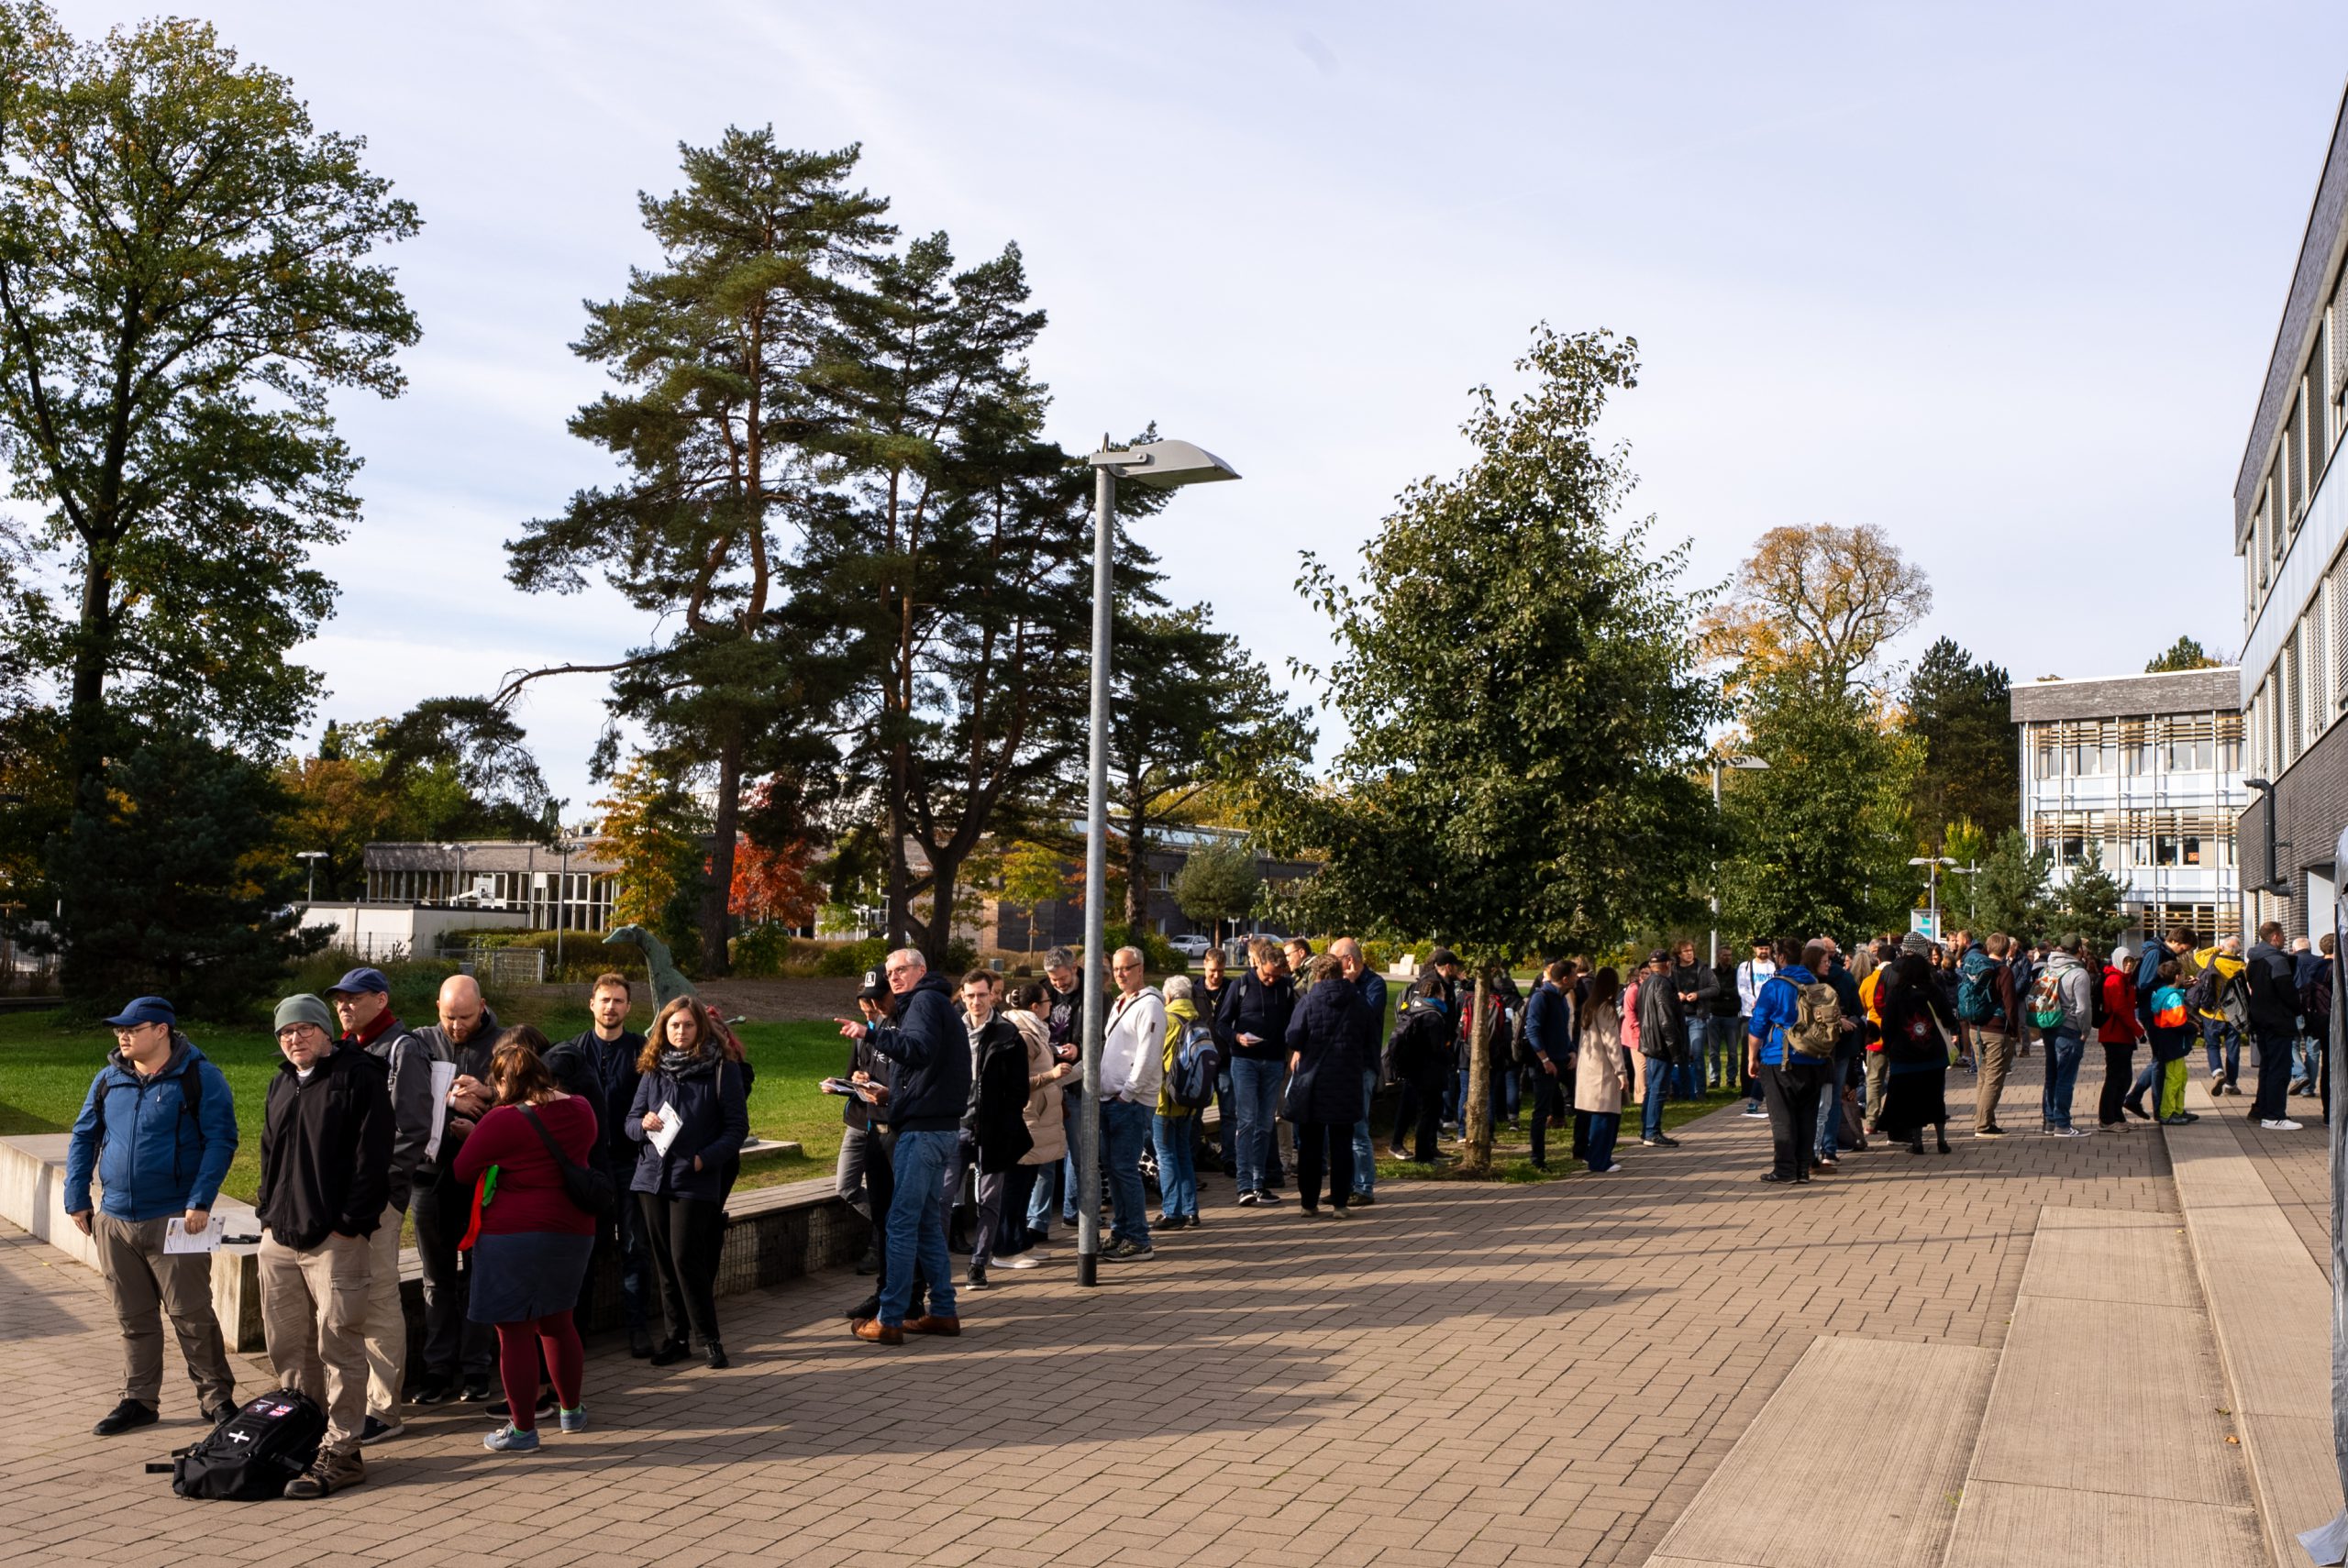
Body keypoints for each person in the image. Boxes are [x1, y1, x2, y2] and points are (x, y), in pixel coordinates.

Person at [64, 995, 238, 1436]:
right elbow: (84, 1137)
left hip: (177, 1217)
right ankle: (139, 1400)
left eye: (133, 1028)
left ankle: (216, 1398)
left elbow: (221, 1140)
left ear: (162, 1031)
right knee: (132, 1317)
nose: (123, 1036)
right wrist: (76, 1196)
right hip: (115, 1219)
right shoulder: (109, 1079)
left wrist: (201, 1200)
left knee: (192, 1315)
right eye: (119, 1029)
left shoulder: (200, 1077)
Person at [255, 991, 393, 1499]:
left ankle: (343, 1451)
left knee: (339, 1345)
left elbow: (373, 1158)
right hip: (279, 1237)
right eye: (285, 1032)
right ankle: (301, 1434)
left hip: (335, 1239)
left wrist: (349, 1224)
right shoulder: (282, 1081)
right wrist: (267, 1215)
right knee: (288, 1346)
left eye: (304, 1029)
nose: (295, 1038)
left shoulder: (359, 1076)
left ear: (326, 1031)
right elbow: (269, 1151)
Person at [449, 1028, 598, 1452]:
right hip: (572, 1231)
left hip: (513, 1235)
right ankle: (571, 1412)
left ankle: (523, 1430)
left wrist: (473, 1137)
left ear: (503, 1082)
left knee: (513, 1331)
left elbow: (463, 1171)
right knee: (559, 1322)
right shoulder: (581, 1108)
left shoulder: (502, 1119)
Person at [325, 966, 434, 1445]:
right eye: (339, 999)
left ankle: (385, 1410)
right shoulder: (344, 1048)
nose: (343, 1005)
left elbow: (412, 1130)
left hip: (377, 1201)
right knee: (344, 1298)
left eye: (353, 997)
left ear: (381, 1000)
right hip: (339, 1199)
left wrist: (379, 1189)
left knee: (379, 1300)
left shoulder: (402, 1049)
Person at [844, 949, 969, 1343]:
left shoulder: (924, 1001)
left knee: (900, 1224)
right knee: (927, 1223)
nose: (894, 977)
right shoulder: (932, 1002)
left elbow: (918, 1050)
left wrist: (870, 1033)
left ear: (922, 970)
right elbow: (925, 1068)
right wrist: (892, 1095)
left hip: (924, 1132)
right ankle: (943, 1312)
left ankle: (890, 1318)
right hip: (935, 1128)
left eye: (901, 970)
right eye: (890, 972)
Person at [626, 995, 750, 1367]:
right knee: (664, 1261)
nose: (680, 1031)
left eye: (688, 1025)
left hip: (693, 1179)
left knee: (686, 1258)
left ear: (701, 1028)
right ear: (663, 1029)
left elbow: (736, 1129)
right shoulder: (653, 1069)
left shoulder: (722, 1069)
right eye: (674, 1025)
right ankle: (676, 1338)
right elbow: (630, 1121)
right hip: (651, 1179)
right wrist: (643, 1124)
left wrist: (703, 1159)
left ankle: (709, 1339)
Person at [409, 975, 504, 1404]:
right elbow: (404, 1093)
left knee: (480, 1275)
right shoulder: (419, 1042)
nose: (456, 1026)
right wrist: (450, 1099)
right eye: (449, 1017)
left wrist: (488, 1097)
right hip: (429, 1178)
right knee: (436, 1278)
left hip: (484, 1181)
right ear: (437, 1008)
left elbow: (523, 1099)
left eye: (465, 1017)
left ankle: (476, 1368)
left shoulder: (504, 1045)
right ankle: (437, 1369)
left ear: (482, 1006)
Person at [559, 972, 648, 1354]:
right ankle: (578, 1334)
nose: (611, 1007)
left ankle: (638, 1329)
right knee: (586, 1250)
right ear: (592, 1004)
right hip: (588, 1166)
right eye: (605, 1000)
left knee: (634, 1247)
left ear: (628, 1007)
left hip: (630, 1163)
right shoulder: (573, 1052)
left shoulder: (642, 1050)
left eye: (618, 1001)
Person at [1282, 952, 1371, 1217]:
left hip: (1314, 1082)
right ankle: (1340, 1204)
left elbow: (1293, 1037)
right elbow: (1368, 1036)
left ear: (1318, 975)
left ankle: (1308, 1203)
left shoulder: (1309, 1001)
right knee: (1342, 1145)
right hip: (1347, 1080)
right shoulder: (1358, 1001)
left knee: (1310, 1145)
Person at [961, 970, 1034, 1288]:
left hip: (993, 1130)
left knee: (989, 1200)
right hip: (956, 1126)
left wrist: (1004, 1122)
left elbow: (1019, 1090)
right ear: (962, 996)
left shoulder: (1008, 1033)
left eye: (982, 995)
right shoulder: (953, 1031)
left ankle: (978, 1263)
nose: (976, 1001)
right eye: (970, 995)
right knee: (942, 1198)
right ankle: (934, 1267)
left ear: (992, 995)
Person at [1098, 946, 1165, 1257]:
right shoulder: (1120, 1003)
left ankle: (1139, 1238)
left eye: (1126, 968)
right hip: (1112, 1097)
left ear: (1140, 968)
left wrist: (1128, 1093)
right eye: (1116, 969)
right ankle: (1122, 1230)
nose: (1120, 974)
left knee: (1124, 1169)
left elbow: (1148, 1055)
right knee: (1114, 1169)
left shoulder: (1150, 1005)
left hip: (1130, 1101)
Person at [1219, 937, 1294, 1206]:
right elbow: (1222, 1023)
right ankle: (1244, 1185)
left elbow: (1292, 1022)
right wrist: (1237, 1038)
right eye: (1267, 975)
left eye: (1277, 976)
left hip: (1273, 1062)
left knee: (1265, 1123)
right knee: (1247, 1121)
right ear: (1258, 964)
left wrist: (1291, 1048)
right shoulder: (1241, 985)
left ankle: (1259, 1183)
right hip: (1245, 1061)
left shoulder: (1286, 988)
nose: (1271, 980)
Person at [1002, 981, 1070, 1267]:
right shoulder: (1022, 1035)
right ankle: (1005, 1248)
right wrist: (1052, 1076)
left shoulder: (1036, 1032)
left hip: (1038, 1119)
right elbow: (1015, 1082)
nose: (1050, 1005)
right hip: (1027, 1119)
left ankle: (1022, 1241)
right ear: (1034, 1007)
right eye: (1046, 1001)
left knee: (1027, 1183)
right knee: (1016, 1186)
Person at [1746, 939, 1826, 1184]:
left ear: (1781, 957)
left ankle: (1784, 1170)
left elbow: (1758, 1024)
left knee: (1782, 1117)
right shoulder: (1815, 984)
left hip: (1780, 1058)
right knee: (1807, 1116)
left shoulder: (1774, 986)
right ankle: (1802, 1169)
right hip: (1813, 1057)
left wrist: (1752, 1057)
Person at [1876, 933, 1955, 1155]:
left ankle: (1917, 1143)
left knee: (1912, 1101)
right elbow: (1949, 1018)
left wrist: (1888, 1046)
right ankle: (1941, 1141)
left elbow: (1887, 1024)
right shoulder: (1933, 990)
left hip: (1906, 1056)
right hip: (1934, 1055)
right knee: (1936, 1097)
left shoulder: (1897, 994)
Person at [838, 969, 893, 1275]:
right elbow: (851, 1076)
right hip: (859, 1119)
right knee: (846, 1186)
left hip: (885, 1123)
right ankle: (888, 1228)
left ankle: (880, 1245)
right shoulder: (861, 1035)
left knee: (882, 1188)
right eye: (863, 1011)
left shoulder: (894, 1032)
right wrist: (851, 1081)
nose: (868, 1017)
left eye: (872, 1010)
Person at [1330, 937, 1386, 1205]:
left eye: (1335, 960)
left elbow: (1367, 1016)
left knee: (1358, 1127)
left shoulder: (1375, 984)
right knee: (1339, 1129)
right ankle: (1344, 1186)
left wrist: (1351, 987)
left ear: (1349, 960)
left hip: (1362, 1066)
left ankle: (1363, 1187)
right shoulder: (1340, 983)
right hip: (1341, 1065)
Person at [2030, 934, 2097, 1136]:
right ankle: (2063, 1124)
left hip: (2049, 1026)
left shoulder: (2048, 968)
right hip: (2069, 1029)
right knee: (2066, 1078)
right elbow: (2083, 1008)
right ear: (2079, 950)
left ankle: (2049, 1121)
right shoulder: (2079, 973)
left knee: (2052, 1075)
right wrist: (2085, 1031)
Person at [2243, 921, 2305, 1131]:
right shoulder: (2277, 961)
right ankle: (2275, 1116)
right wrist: (2299, 1008)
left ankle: (2261, 1109)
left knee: (2267, 1067)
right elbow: (2287, 991)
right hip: (2278, 1021)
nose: (2285, 938)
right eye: (2283, 935)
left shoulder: (2253, 960)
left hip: (2259, 1019)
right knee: (2280, 1069)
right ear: (2276, 936)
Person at [1154, 975, 1205, 1231]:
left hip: (1165, 1099)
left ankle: (1172, 1211)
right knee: (1183, 1151)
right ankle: (1191, 1210)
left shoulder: (1166, 1020)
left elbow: (1158, 1060)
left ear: (1168, 997)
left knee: (1166, 1155)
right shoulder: (1198, 1020)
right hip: (1190, 1099)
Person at [1575, 966, 1631, 1173]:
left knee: (1594, 1114)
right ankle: (1600, 1161)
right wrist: (1621, 1072)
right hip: (1604, 1070)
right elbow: (1612, 1044)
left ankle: (1592, 1155)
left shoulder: (1589, 1006)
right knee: (1605, 1116)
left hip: (1588, 1067)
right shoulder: (1606, 1009)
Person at [1523, 959, 1574, 1169]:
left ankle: (1581, 1149)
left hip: (1563, 1059)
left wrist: (1571, 1050)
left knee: (1580, 1101)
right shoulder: (1541, 997)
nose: (1577, 979)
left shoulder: (1562, 998)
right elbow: (1532, 1030)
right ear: (1565, 978)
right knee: (1541, 1110)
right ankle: (1538, 1159)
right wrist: (1544, 1059)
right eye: (1574, 975)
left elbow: (1562, 1029)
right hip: (1544, 1064)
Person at [1970, 933, 2021, 1138]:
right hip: (1997, 1030)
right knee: (1994, 1078)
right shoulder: (2004, 971)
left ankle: (1986, 1120)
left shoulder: (1976, 967)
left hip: (1975, 1028)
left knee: (1983, 1076)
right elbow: (2010, 1004)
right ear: (2007, 949)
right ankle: (1983, 1125)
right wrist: (2015, 1031)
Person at [1634, 950, 1681, 1147]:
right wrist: (1674, 1048)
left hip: (1650, 1041)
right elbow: (1666, 1019)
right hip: (1660, 1043)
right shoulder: (1662, 984)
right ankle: (1652, 1131)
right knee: (1659, 1089)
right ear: (1667, 964)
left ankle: (1647, 1129)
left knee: (1652, 1088)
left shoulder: (1646, 983)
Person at [2193, 934, 2248, 1094]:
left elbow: (2198, 955)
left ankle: (2217, 1071)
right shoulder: (2243, 967)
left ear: (2224, 947)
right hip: (2235, 1016)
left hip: (2212, 1013)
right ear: (2239, 951)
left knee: (2212, 1045)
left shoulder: (2213, 962)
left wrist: (2217, 948)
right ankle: (2231, 1085)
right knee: (2233, 1050)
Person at [2097, 946, 2144, 1132]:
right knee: (2115, 1078)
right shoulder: (2115, 980)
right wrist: (2139, 1031)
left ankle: (2117, 1115)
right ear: (2117, 961)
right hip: (2114, 1034)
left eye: (2131, 961)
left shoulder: (2124, 979)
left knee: (2124, 1078)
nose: (2129, 964)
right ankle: (2107, 1119)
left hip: (2122, 1035)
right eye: (2126, 961)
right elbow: (2121, 1010)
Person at [1670, 940, 1717, 1099]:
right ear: (1679, 954)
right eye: (1685, 951)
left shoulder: (1702, 968)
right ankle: (1685, 1091)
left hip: (1697, 1016)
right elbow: (1666, 988)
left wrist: (1698, 994)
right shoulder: (1673, 970)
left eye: (1691, 950)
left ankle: (1700, 1091)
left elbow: (1715, 988)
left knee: (1697, 1053)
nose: (1689, 953)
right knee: (1681, 1054)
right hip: (1678, 1017)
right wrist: (1676, 995)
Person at [1735, 939, 1775, 1118]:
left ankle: (1759, 1094)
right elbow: (1742, 988)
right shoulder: (1745, 967)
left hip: (1769, 1015)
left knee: (1765, 1054)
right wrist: (1754, 1001)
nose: (1763, 951)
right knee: (1749, 1052)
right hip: (1750, 1014)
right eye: (1761, 948)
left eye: (1766, 948)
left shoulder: (1773, 967)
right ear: (1754, 949)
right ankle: (1747, 1089)